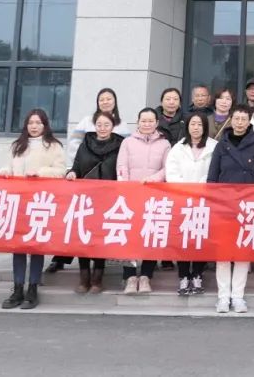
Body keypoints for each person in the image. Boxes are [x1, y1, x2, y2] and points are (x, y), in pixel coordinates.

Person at [49, 87, 130, 275]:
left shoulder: (122, 126)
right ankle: (62, 260)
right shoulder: (87, 121)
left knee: (100, 226)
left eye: (109, 99)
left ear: (115, 102)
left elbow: (125, 153)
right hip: (85, 179)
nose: (105, 102)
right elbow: (75, 147)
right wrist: (77, 169)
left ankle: (99, 269)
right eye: (102, 99)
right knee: (78, 224)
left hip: (107, 184)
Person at [0, 109, 65, 310]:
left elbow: (61, 171)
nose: (34, 126)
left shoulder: (53, 146)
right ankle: (18, 288)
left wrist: (41, 172)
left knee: (36, 246)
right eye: (31, 123)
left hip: (39, 202)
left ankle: (33, 288)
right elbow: (9, 166)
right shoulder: (17, 145)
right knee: (18, 246)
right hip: (18, 201)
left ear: (45, 125)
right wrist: (5, 171)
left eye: (38, 123)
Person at [208, 104, 254, 313]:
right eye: (236, 119)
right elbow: (212, 177)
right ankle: (223, 297)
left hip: (247, 207)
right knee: (223, 254)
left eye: (243, 119)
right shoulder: (221, 145)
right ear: (230, 120)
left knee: (242, 254)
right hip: (224, 206)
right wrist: (214, 203)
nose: (240, 123)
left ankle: (238, 297)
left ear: (249, 121)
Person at [66, 110, 122, 294]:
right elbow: (76, 166)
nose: (103, 128)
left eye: (107, 125)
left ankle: (98, 277)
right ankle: (84, 277)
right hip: (86, 197)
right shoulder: (85, 144)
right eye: (99, 125)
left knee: (99, 237)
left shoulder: (120, 145)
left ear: (113, 126)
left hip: (107, 198)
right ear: (94, 126)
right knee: (83, 235)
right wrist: (72, 173)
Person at [117, 107, 171, 295]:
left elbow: (167, 168)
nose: (147, 124)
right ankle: (130, 276)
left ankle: (146, 275)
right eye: (143, 121)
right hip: (131, 196)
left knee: (151, 235)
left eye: (150, 121)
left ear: (157, 123)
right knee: (129, 236)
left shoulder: (164, 144)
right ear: (138, 122)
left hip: (154, 195)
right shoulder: (127, 142)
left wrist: (152, 180)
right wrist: (126, 188)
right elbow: (122, 167)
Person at [165, 113, 218, 296]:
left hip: (205, 200)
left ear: (205, 127)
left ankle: (197, 274)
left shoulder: (214, 147)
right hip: (183, 200)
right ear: (187, 126)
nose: (196, 128)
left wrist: (200, 187)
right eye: (193, 124)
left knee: (200, 239)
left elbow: (214, 171)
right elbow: (171, 173)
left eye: (199, 124)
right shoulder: (178, 148)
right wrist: (186, 189)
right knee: (183, 239)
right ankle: (183, 276)